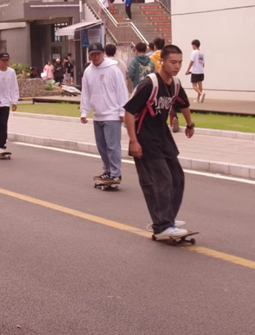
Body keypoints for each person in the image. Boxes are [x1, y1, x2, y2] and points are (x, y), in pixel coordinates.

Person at [124, 44, 195, 240]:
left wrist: (190, 124)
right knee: (160, 181)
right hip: (145, 138)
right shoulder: (150, 84)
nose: (177, 66)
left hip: (163, 136)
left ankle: (167, 218)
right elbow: (129, 111)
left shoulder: (175, 84)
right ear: (161, 61)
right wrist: (133, 141)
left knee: (177, 177)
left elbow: (184, 104)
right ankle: (162, 225)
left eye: (180, 62)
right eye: (173, 62)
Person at [81, 43, 129, 185]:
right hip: (98, 114)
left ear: (103, 54)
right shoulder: (88, 71)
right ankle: (108, 171)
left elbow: (122, 90)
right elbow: (85, 93)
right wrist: (84, 111)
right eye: (92, 54)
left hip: (112, 114)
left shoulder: (113, 69)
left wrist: (122, 110)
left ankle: (116, 174)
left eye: (98, 54)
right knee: (101, 146)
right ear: (89, 56)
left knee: (113, 146)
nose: (95, 57)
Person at [149, 37, 178, 132]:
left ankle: (158, 123)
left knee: (157, 103)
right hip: (169, 81)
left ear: (155, 46)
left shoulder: (151, 57)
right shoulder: (167, 56)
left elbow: (150, 70)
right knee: (170, 101)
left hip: (156, 82)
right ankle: (174, 116)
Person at [185, 39, 206, 103]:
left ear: (194, 45)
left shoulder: (193, 52)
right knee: (200, 86)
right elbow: (203, 63)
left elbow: (191, 62)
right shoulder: (202, 53)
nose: (192, 47)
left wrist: (188, 70)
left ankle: (201, 94)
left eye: (192, 45)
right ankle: (198, 99)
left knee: (194, 86)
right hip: (201, 71)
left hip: (195, 71)